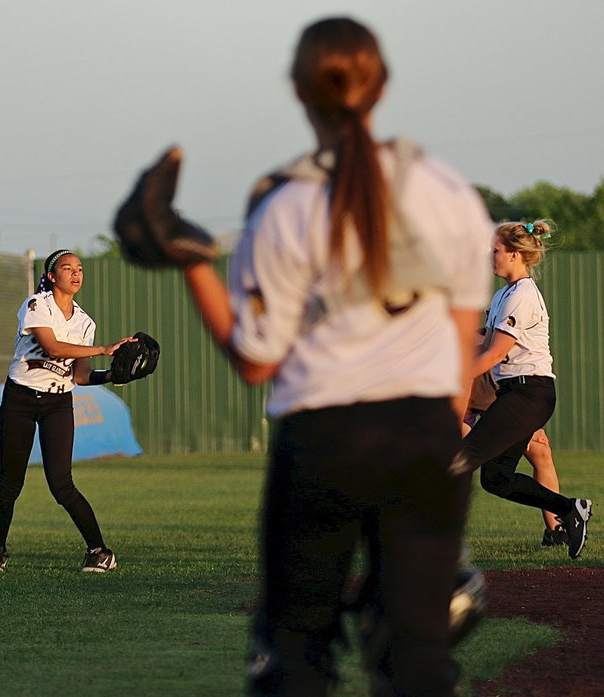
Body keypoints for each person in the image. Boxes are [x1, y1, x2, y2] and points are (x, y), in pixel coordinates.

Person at [117, 16, 493, 696]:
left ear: (299, 91)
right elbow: (458, 360)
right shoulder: (448, 192)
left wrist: (192, 261)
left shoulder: (285, 206)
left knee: (294, 652)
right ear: (382, 87)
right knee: (419, 662)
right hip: (427, 438)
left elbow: (257, 362)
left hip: (325, 438)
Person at [0, 249, 136, 574]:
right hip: (20, 400)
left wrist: (111, 374)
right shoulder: (37, 305)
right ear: (52, 276)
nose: (76, 273)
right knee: (10, 483)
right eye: (67, 268)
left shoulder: (84, 322)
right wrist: (105, 349)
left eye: (80, 268)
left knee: (62, 484)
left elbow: (79, 376)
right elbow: (52, 348)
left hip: (57, 403)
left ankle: (100, 552)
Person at [458, 220, 593, 560]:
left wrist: (452, 382)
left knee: (460, 459)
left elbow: (495, 353)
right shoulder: (504, 293)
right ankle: (570, 509)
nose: (490, 257)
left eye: (495, 251)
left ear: (515, 254)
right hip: (515, 395)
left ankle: (426, 546)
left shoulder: (523, 296)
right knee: (496, 479)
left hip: (529, 394)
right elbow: (483, 341)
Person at [464, 369, 567, 546]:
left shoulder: (507, 350)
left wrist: (523, 423)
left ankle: (555, 531)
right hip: (463, 400)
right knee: (459, 462)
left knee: (541, 451)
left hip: (499, 398)